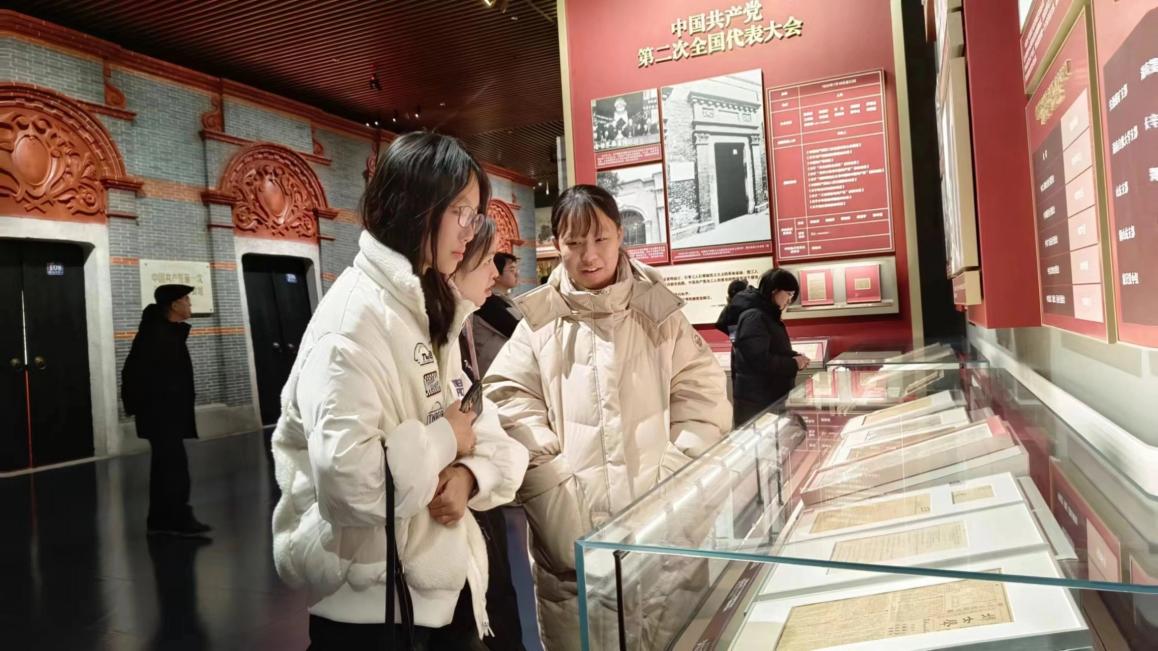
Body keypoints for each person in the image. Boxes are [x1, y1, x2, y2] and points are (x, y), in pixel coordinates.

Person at [270, 132, 528, 650]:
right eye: (459, 211)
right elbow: (350, 483)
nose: (469, 230)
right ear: (413, 206)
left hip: (435, 593)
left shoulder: (422, 306)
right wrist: (447, 440)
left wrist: (468, 475)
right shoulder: (353, 323)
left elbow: (479, 426)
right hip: (373, 610)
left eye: (474, 213)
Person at [485, 184, 731, 650]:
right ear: (556, 244)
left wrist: (676, 478)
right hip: (571, 545)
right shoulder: (538, 323)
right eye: (574, 242)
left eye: (600, 238)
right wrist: (550, 487)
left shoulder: (660, 313)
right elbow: (508, 400)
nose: (589, 255)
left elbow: (702, 398)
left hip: (664, 538)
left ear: (620, 234)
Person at [451, 220, 527, 651]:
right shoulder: (427, 328)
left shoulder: (462, 319)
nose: (496, 272)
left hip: (481, 506)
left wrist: (474, 473)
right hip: (447, 537)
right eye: (486, 261)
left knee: (498, 610)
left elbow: (482, 424)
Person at [122, 284, 211, 537]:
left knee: (166, 466)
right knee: (173, 467)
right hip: (162, 415)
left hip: (166, 414)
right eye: (186, 300)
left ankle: (161, 520)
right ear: (174, 305)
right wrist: (150, 408)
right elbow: (136, 374)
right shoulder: (157, 336)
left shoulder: (165, 332)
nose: (190, 304)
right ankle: (175, 519)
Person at [730, 268, 810, 425]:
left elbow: (771, 350)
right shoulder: (755, 317)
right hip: (757, 405)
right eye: (788, 294)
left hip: (768, 400)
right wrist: (793, 363)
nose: (790, 300)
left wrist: (793, 356)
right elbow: (758, 361)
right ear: (774, 291)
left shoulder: (766, 315)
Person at [473, 251, 522, 376]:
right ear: (496, 274)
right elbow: (517, 330)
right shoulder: (486, 302)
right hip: (494, 374)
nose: (517, 273)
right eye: (511, 269)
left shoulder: (505, 300)